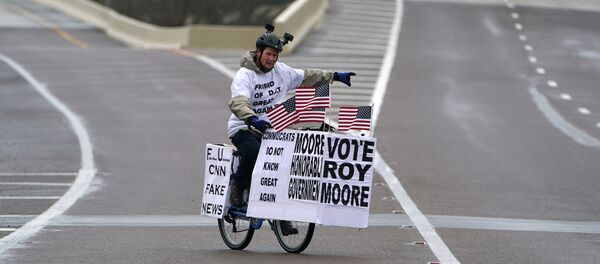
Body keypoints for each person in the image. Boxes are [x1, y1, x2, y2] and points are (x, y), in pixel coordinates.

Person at [227, 24, 355, 235]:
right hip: (244, 127)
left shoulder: (281, 72)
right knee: (254, 153)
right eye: (268, 54)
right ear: (258, 53)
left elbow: (307, 76)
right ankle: (237, 188)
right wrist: (251, 118)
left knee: (285, 165)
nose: (272, 59)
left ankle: (279, 217)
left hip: (272, 128)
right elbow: (238, 102)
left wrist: (334, 76)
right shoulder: (245, 75)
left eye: (275, 55)